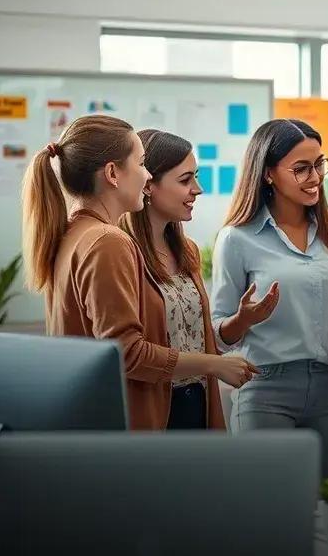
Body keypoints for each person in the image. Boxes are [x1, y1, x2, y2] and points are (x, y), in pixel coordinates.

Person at [22, 115, 257, 430]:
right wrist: (214, 364)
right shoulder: (107, 241)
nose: (145, 176)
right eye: (142, 163)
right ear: (113, 173)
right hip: (136, 416)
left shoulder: (74, 233)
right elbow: (127, 352)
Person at [211, 118, 328, 479]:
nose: (316, 177)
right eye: (301, 169)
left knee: (326, 504)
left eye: (319, 164)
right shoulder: (237, 238)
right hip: (266, 388)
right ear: (268, 174)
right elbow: (217, 334)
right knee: (268, 508)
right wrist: (244, 319)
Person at [119, 129, 228, 429]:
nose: (198, 189)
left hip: (198, 402)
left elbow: (196, 337)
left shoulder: (187, 251)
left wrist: (242, 321)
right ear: (148, 185)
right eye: (185, 180)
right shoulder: (120, 253)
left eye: (196, 177)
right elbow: (129, 353)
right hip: (154, 408)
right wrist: (214, 364)